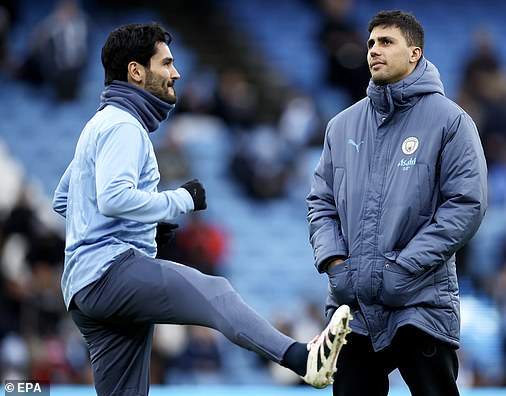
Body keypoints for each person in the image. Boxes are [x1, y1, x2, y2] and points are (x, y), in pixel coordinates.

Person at [52, 22, 352, 395]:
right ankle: (300, 359)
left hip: (85, 290)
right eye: (165, 63)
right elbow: (113, 198)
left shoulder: (99, 125)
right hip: (109, 274)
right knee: (216, 292)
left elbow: (65, 199)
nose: (175, 72)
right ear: (135, 71)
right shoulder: (123, 126)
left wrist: (139, 227)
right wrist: (179, 201)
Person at [306, 10, 488, 396]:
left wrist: (403, 268)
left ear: (414, 54)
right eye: (371, 42)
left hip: (419, 302)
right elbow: (320, 202)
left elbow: (466, 205)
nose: (374, 50)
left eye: (387, 42)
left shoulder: (451, 122)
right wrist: (336, 265)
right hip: (351, 308)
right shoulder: (341, 125)